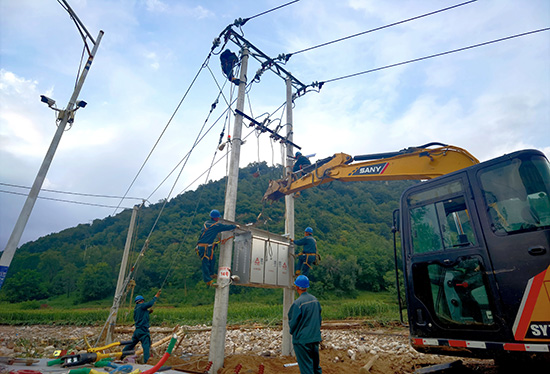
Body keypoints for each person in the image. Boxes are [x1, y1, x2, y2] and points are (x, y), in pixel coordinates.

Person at [288, 275, 322, 374]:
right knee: (316, 367)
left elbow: (293, 323)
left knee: (306, 368)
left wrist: (293, 333)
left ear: (297, 287)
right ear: (306, 287)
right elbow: (319, 319)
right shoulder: (315, 300)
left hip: (302, 341)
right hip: (315, 338)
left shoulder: (297, 303)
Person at [196, 209, 237, 286]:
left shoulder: (206, 223)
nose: (218, 219)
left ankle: (211, 274)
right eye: (218, 217)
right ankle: (208, 280)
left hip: (208, 246)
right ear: (215, 218)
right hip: (204, 247)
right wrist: (235, 226)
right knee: (205, 263)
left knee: (212, 259)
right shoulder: (216, 225)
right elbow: (225, 227)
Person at [123, 289, 161, 364]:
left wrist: (148, 312)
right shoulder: (142, 306)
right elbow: (150, 304)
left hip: (137, 331)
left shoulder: (136, 309)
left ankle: (122, 354)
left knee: (131, 344)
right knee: (146, 346)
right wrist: (156, 297)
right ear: (142, 301)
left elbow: (141, 316)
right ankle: (147, 362)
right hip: (143, 331)